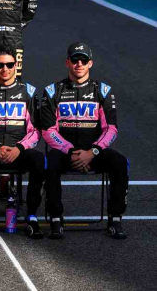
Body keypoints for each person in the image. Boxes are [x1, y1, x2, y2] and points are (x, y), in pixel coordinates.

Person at [39, 42, 128, 240]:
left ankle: (115, 219)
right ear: (67, 62)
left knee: (120, 162)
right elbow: (48, 130)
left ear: (90, 63)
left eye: (83, 60)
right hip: (65, 152)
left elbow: (111, 129)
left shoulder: (103, 91)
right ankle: (55, 220)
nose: (79, 64)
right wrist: (71, 151)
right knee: (49, 162)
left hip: (94, 152)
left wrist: (93, 152)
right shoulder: (52, 91)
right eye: (75, 60)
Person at [0, 46, 46, 239]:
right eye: (1, 65)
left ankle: (31, 216)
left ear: (16, 65)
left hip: (18, 150)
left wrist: (19, 148)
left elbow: (35, 131)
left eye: (10, 65)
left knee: (39, 160)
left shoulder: (28, 92)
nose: (5, 69)